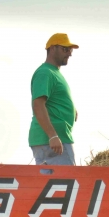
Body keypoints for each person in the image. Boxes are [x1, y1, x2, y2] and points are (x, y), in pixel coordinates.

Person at [28, 33, 79, 166]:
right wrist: (53, 136)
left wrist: (71, 110)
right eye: (65, 49)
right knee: (67, 182)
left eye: (71, 50)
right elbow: (38, 105)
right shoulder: (45, 73)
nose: (69, 53)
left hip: (53, 140)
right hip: (53, 141)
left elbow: (53, 100)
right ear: (52, 49)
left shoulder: (53, 73)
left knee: (48, 182)